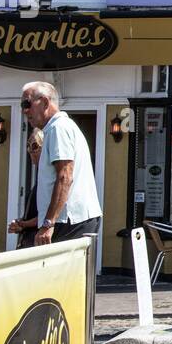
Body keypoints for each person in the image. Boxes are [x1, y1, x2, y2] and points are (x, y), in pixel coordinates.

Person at [21, 81, 102, 245]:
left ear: (44, 102)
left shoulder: (59, 128)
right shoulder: (56, 128)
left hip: (68, 220)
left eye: (26, 104)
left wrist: (48, 223)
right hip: (69, 219)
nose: (24, 110)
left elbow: (65, 176)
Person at [8, 129, 44, 249]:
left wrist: (22, 224)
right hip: (30, 240)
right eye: (28, 145)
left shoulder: (51, 178)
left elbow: (49, 215)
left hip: (39, 242)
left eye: (34, 146)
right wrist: (21, 225)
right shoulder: (42, 175)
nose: (30, 150)